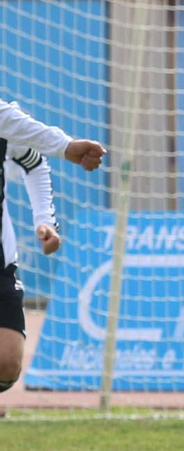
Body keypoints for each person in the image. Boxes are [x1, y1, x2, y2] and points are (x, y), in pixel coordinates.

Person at [0, 102, 105, 404]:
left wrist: (44, 219)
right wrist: (67, 146)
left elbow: (34, 163)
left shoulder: (6, 125)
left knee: (7, 364)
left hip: (0, 260)